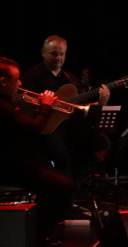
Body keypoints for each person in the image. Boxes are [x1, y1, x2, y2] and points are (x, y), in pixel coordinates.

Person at [0, 57, 74, 247]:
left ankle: (36, 231)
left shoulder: (0, 102)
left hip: (16, 163)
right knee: (64, 186)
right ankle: (37, 236)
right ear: (3, 81)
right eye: (17, 79)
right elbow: (32, 129)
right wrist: (45, 107)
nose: (20, 83)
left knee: (58, 177)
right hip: (6, 169)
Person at [22, 35, 112, 178]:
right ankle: (65, 186)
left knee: (102, 143)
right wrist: (45, 106)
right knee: (63, 158)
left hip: (70, 126)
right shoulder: (32, 75)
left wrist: (102, 103)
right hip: (46, 128)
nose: (58, 57)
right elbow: (23, 103)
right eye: (54, 53)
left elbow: (81, 107)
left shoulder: (70, 78)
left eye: (62, 54)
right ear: (43, 53)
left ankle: (74, 178)